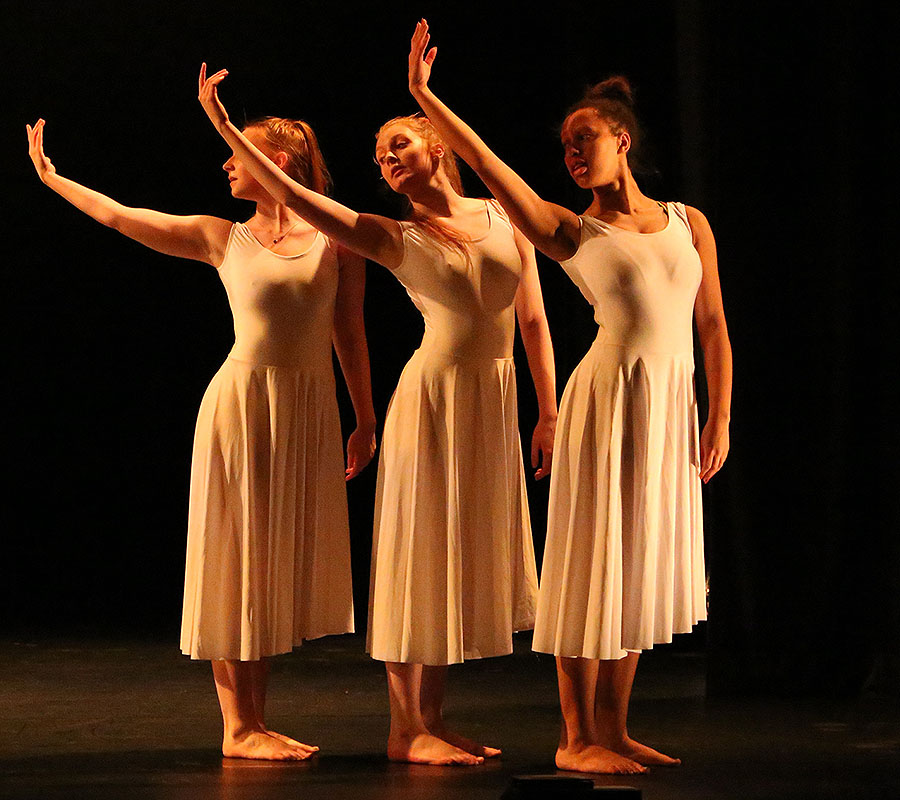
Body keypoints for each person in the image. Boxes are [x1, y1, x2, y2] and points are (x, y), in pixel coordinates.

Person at [197, 62, 557, 767]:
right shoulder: (389, 235)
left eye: (398, 146)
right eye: (378, 157)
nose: (386, 161)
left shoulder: (506, 216)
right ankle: (404, 728)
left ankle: (432, 719)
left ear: (436, 149)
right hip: (431, 399)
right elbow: (299, 194)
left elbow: (536, 322)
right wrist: (224, 125)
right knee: (420, 555)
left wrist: (548, 411)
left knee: (460, 554)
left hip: (495, 399)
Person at [406, 19, 732, 775]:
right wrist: (426, 96)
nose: (572, 153)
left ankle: (613, 731)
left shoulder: (689, 223)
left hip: (667, 410)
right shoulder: (569, 232)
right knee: (592, 564)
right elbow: (489, 166)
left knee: (638, 566)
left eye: (584, 138)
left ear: (622, 138)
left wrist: (718, 412)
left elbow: (712, 324)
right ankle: (574, 736)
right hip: (607, 405)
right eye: (564, 146)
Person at [26, 112, 376, 762]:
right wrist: (55, 180)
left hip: (304, 410)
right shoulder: (224, 238)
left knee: (269, 564)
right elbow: (122, 217)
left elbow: (348, 331)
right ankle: (238, 727)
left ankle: (255, 722)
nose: (224, 163)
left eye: (235, 150)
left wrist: (364, 418)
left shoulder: (336, 237)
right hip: (241, 406)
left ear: (276, 162)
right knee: (236, 558)